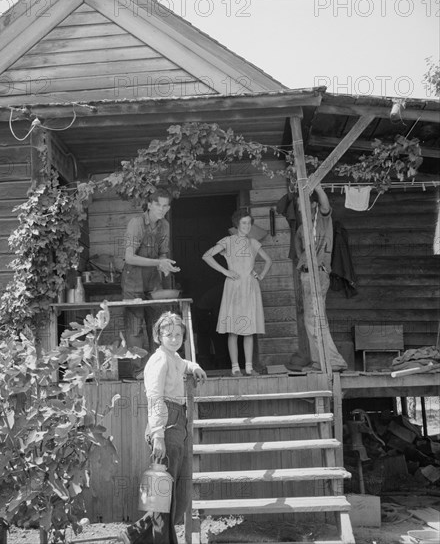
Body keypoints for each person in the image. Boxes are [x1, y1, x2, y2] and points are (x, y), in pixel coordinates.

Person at [119, 312, 207, 544]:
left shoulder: (174, 358)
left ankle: (135, 534)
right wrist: (158, 435)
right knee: (162, 496)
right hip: (166, 423)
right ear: (159, 336)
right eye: (169, 335)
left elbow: (183, 364)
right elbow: (155, 398)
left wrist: (194, 366)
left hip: (179, 423)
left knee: (178, 496)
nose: (174, 338)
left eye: (178, 334)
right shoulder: (159, 360)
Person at [202, 208, 272, 375]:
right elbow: (206, 256)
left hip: (249, 286)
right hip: (233, 286)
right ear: (237, 224)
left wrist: (259, 275)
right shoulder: (227, 241)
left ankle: (248, 367)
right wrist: (225, 272)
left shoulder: (253, 242)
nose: (247, 226)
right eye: (244, 223)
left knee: (249, 329)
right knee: (233, 329)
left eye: (249, 223)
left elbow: (268, 260)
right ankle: (235, 368)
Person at [288, 185, 348, 372]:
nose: (299, 208)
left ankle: (334, 361)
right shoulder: (301, 229)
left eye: (303, 203)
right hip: (307, 274)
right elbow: (299, 255)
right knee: (310, 320)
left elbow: (325, 204)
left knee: (316, 319)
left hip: (318, 273)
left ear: (313, 204)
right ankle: (318, 362)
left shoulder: (321, 220)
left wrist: (317, 186)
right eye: (298, 204)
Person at [121, 188, 180, 375]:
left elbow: (163, 253)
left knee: (157, 325)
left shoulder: (165, 226)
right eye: (158, 205)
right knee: (135, 328)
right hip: (133, 282)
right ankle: (139, 372)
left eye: (165, 206)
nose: (161, 209)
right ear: (149, 205)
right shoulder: (136, 224)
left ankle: (158, 370)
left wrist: (165, 266)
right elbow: (129, 257)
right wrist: (158, 262)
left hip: (153, 282)